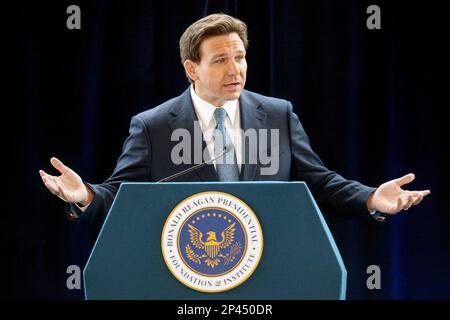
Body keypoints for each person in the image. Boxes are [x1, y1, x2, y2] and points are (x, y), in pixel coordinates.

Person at [39, 13, 429, 225]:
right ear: (191, 68)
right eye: (221, 60)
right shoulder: (153, 125)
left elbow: (320, 183)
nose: (236, 69)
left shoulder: (278, 114)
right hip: (189, 275)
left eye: (240, 57)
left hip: (268, 269)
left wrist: (372, 198)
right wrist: (85, 195)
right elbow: (120, 197)